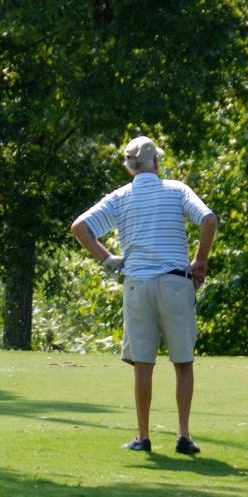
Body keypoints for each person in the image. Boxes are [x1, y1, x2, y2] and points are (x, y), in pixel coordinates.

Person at [70, 134, 218, 454]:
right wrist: (200, 260)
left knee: (142, 364)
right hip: (175, 283)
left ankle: (143, 437)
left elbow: (80, 226)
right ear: (156, 163)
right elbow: (208, 219)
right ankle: (183, 435)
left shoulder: (120, 198)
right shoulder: (176, 189)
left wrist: (107, 259)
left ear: (129, 168)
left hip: (137, 285)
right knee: (183, 362)